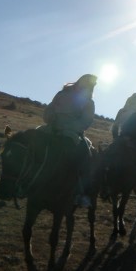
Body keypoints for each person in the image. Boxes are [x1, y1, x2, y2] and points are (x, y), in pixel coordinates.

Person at [44, 73, 97, 207]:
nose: (87, 86)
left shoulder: (89, 102)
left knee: (85, 155)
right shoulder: (61, 94)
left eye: (90, 84)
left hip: (72, 133)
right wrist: (50, 118)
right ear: (80, 81)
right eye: (85, 82)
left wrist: (67, 127)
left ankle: (81, 192)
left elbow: (86, 121)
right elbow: (49, 109)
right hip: (52, 127)